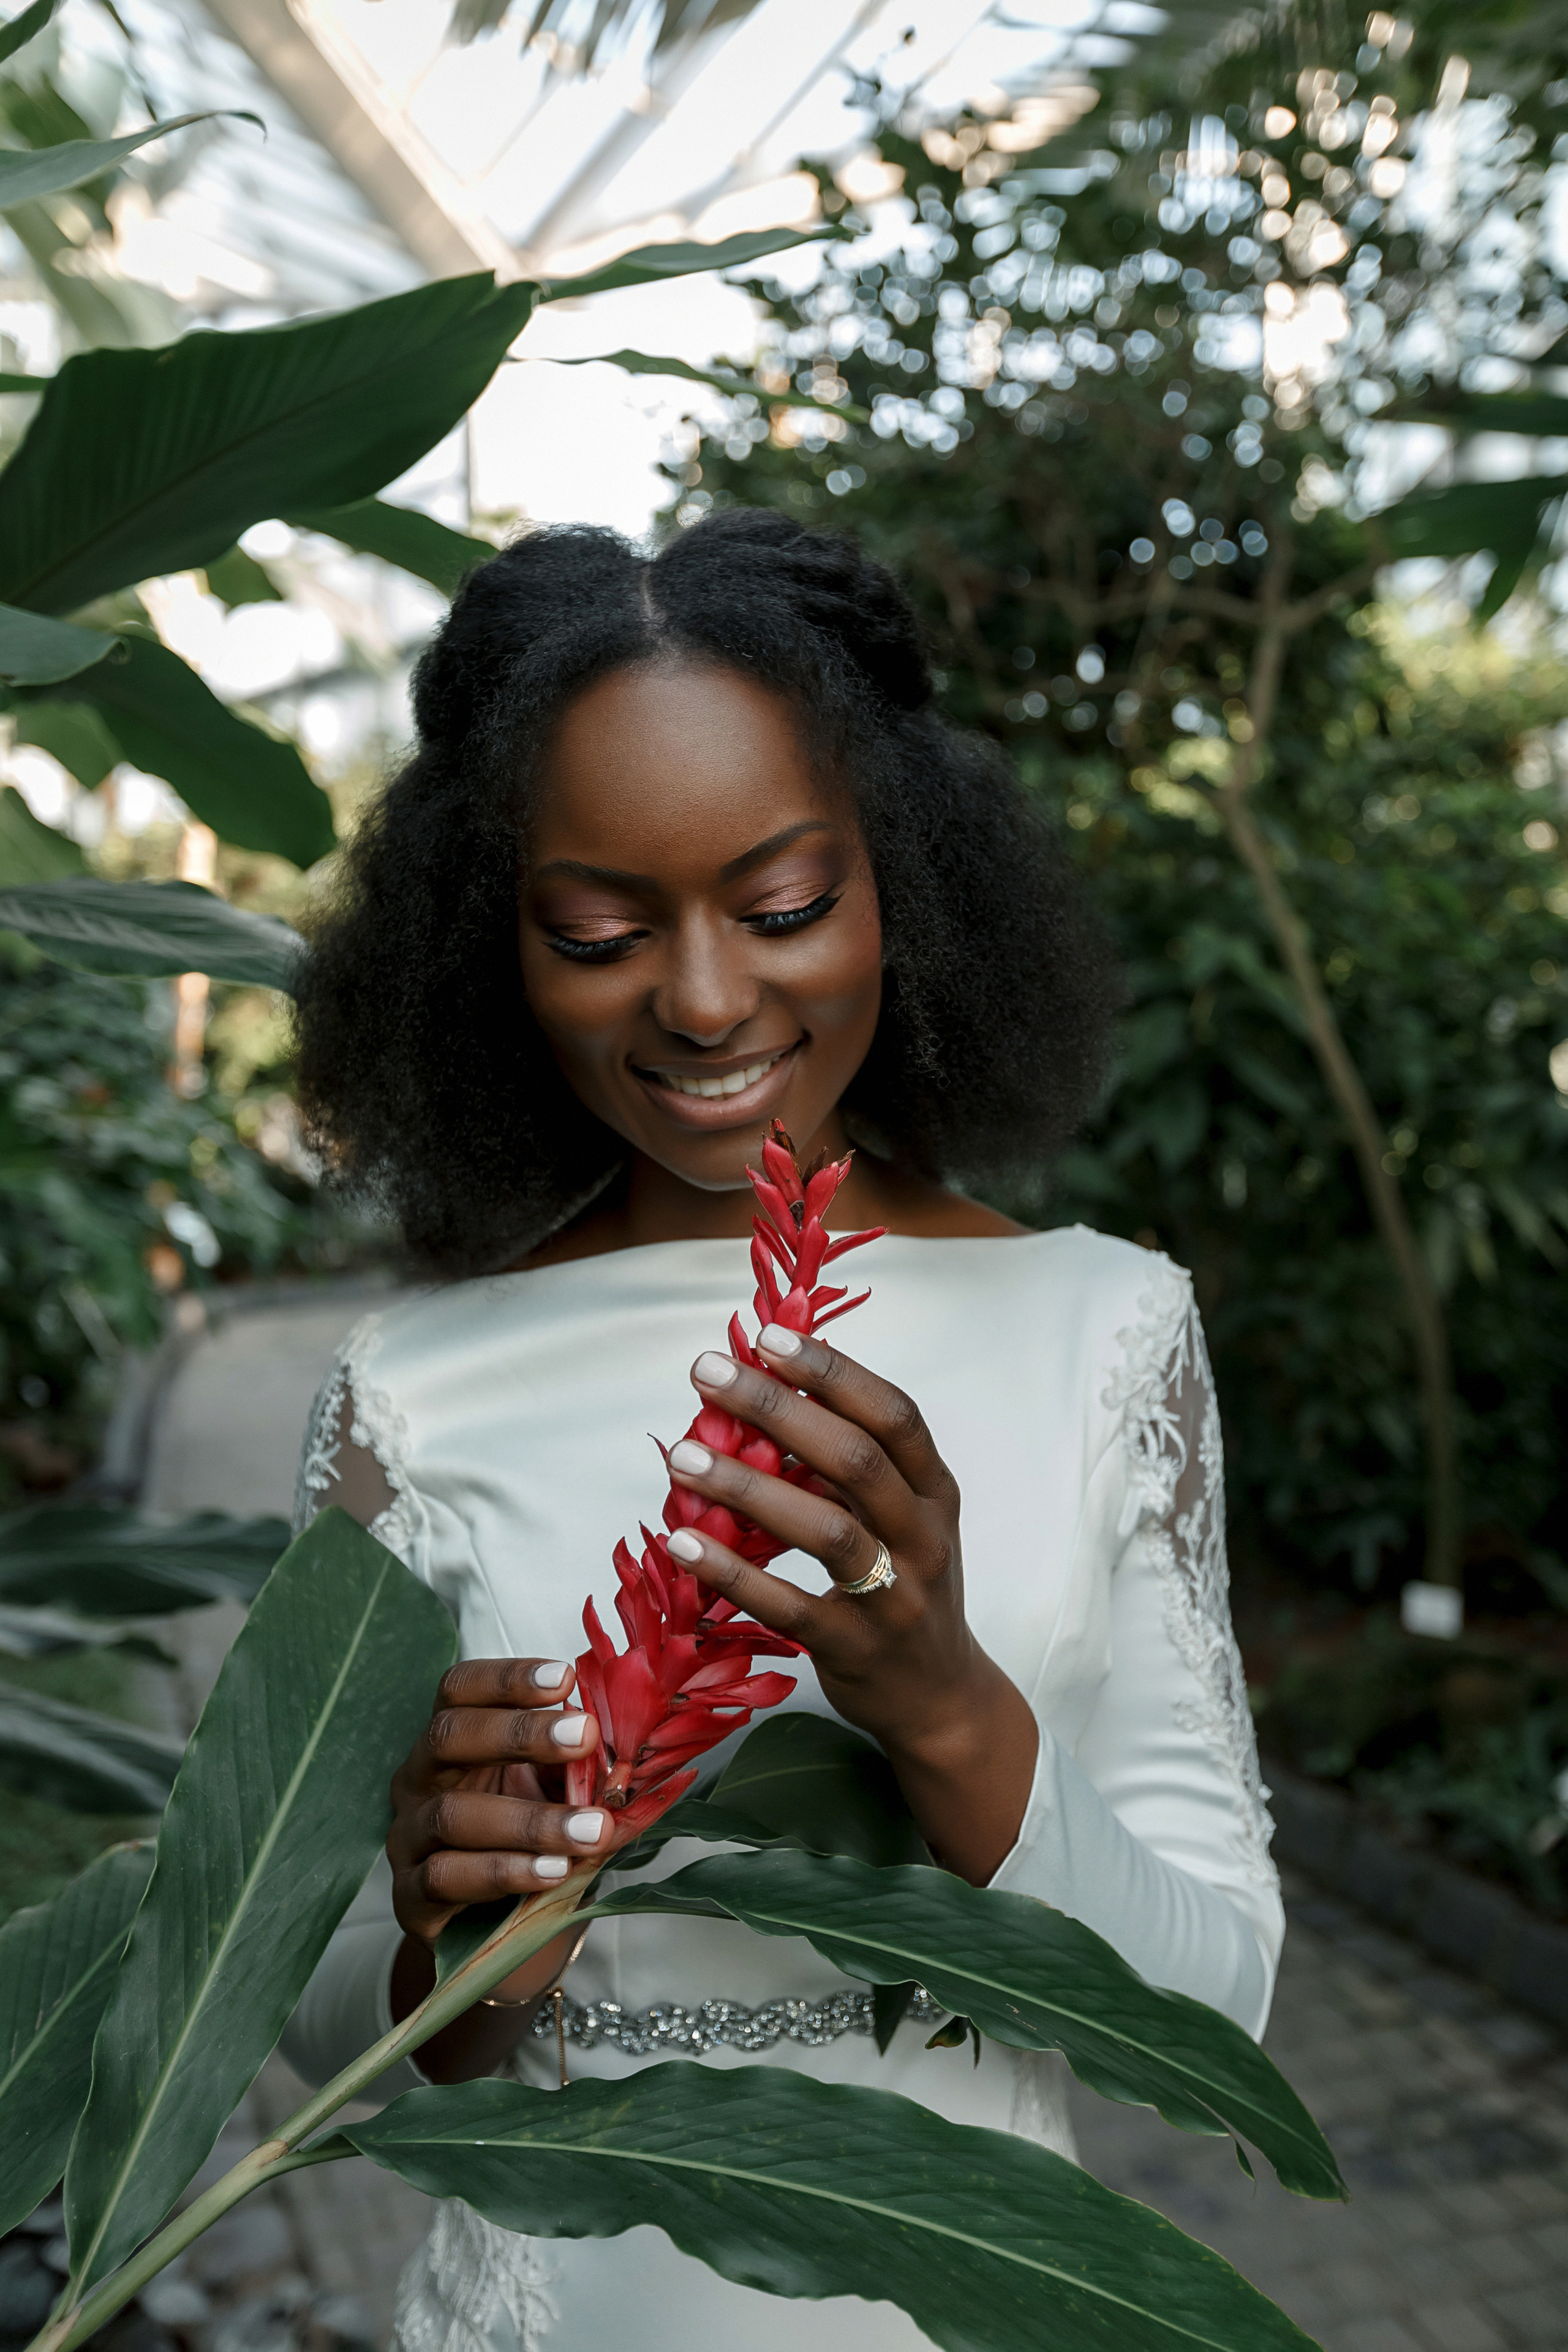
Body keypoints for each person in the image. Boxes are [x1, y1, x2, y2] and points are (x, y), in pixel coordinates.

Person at [282, 508, 1283, 2352]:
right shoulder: (407, 1397)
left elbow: (1218, 2015)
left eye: (783, 907)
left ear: (900, 874)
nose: (706, 999)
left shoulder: (1104, 1327)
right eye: (598, 930)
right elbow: (332, 2034)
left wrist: (953, 1714)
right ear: (488, 942)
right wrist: (460, 1939)